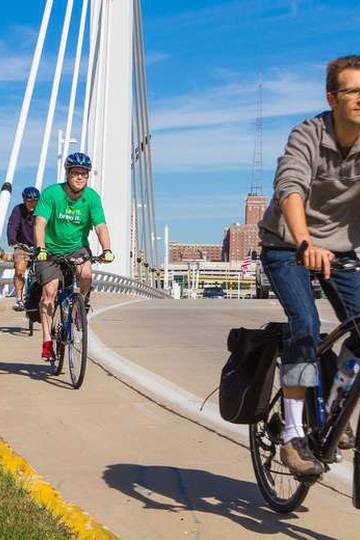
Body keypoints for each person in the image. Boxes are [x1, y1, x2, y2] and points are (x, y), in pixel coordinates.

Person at [259, 55, 360, 478]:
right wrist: (304, 242)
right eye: (353, 91)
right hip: (288, 244)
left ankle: (336, 398)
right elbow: (291, 187)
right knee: (304, 321)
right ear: (332, 98)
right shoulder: (307, 135)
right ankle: (293, 435)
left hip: (343, 251)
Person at [33, 152, 114, 361]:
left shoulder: (92, 198)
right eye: (76, 173)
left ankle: (82, 304)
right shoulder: (52, 194)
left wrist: (107, 250)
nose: (80, 177)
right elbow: (39, 223)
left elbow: (100, 226)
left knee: (86, 273)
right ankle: (47, 341)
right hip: (50, 249)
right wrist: (40, 248)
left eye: (84, 174)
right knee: (49, 293)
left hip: (77, 248)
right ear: (67, 173)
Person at [7, 186, 40, 311]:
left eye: (35, 201)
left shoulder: (41, 211)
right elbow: (12, 226)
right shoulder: (18, 210)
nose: (32, 203)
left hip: (40, 246)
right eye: (29, 201)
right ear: (24, 200)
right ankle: (19, 299)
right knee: (20, 268)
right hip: (23, 246)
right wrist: (12, 241)